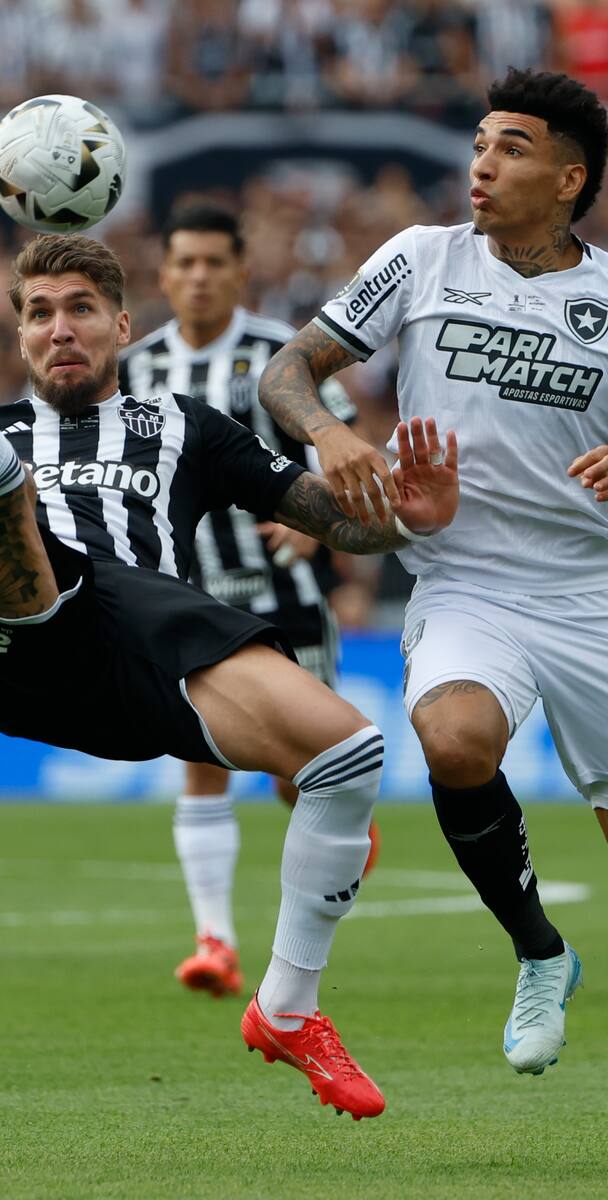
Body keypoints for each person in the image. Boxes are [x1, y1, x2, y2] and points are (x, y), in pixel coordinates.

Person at [0, 132, 461, 1119]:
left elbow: (329, 517)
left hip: (148, 662)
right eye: (39, 314)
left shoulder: (187, 427)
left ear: (123, 323)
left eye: (80, 310)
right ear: (15, 336)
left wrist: (404, 514)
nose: (59, 330)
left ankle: (289, 1008)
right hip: (14, 645)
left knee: (350, 754)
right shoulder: (1, 430)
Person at [259, 67, 607, 1076]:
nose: (483, 167)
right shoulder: (421, 258)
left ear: (571, 179)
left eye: (513, 149)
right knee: (453, 741)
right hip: (465, 580)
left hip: (591, 589)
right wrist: (329, 435)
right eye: (480, 145)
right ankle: (540, 952)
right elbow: (282, 373)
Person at [120, 202, 380, 999]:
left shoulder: (280, 355)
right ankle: (216, 943)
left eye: (213, 263)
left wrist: (319, 532)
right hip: (187, 596)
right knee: (200, 762)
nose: (198, 276)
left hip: (285, 593)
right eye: (184, 263)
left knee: (302, 777)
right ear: (164, 275)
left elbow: (341, 451)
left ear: (240, 271)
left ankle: (314, 899)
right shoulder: (133, 370)